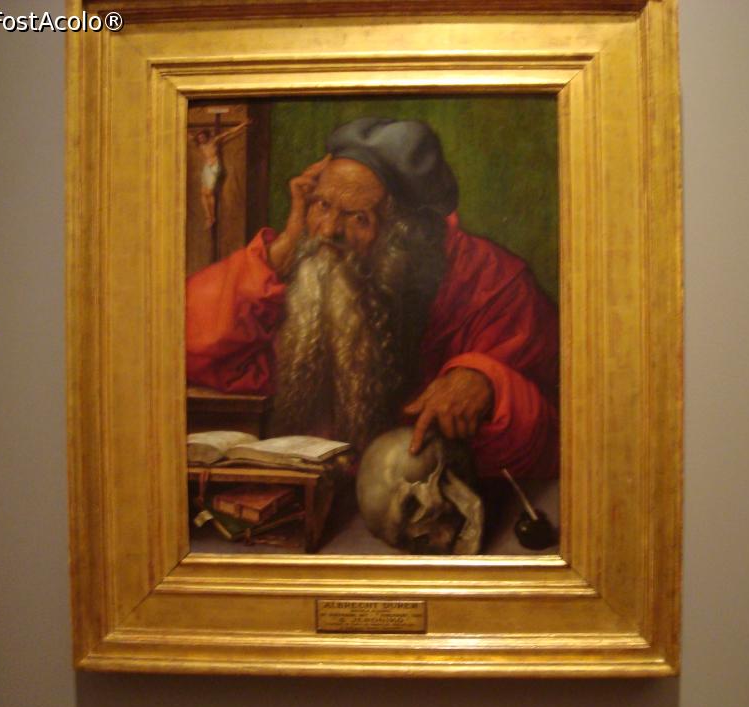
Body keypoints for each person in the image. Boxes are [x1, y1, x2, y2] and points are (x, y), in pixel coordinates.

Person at [186, 117, 558, 478]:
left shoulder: (494, 284)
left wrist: (488, 382)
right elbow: (190, 347)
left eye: (358, 218)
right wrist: (283, 248)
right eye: (322, 205)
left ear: (406, 233)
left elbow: (561, 434)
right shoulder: (308, 275)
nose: (328, 231)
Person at [192, 121, 249, 228]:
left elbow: (230, 132)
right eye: (199, 138)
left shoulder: (213, 141)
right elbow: (188, 136)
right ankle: (209, 217)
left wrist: (242, 125)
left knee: (209, 193)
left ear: (206, 136)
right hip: (207, 169)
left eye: (202, 137)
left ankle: (212, 217)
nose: (201, 139)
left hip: (214, 167)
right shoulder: (200, 146)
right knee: (203, 194)